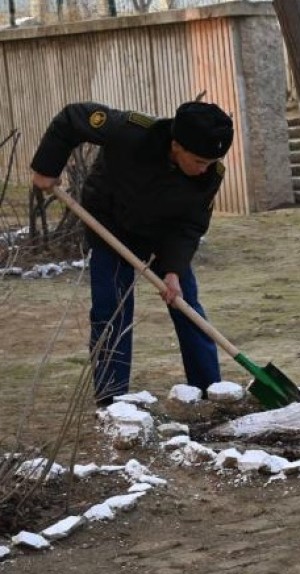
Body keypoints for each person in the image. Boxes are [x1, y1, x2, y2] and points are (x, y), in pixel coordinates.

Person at [30, 101, 235, 407]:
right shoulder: (130, 132)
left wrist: (174, 271)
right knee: (111, 309)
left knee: (185, 303)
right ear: (176, 145)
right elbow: (72, 118)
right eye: (198, 161)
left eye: (211, 161)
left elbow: (190, 226)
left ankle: (209, 389)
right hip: (111, 226)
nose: (205, 168)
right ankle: (112, 398)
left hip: (163, 235)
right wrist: (47, 167)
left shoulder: (209, 173)